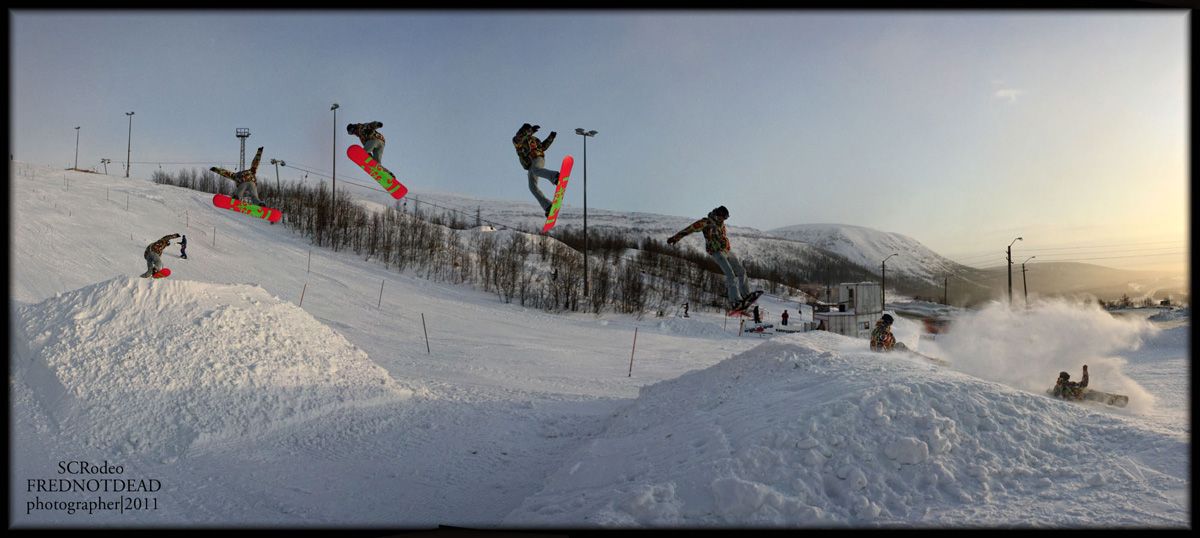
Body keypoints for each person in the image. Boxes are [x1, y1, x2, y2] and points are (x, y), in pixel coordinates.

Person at [666, 205, 753, 310]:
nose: (723, 220)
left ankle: (746, 295)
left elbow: (723, 237)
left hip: (726, 251)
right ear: (718, 214)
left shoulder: (721, 224)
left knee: (741, 271)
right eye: (723, 217)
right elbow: (690, 229)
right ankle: (735, 301)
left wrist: (727, 246)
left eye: (725, 218)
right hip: (716, 252)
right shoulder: (706, 222)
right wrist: (676, 238)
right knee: (730, 274)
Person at [512, 122, 560, 218]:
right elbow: (519, 139)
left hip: (538, 158)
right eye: (525, 131)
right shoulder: (517, 139)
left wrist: (550, 138)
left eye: (528, 131)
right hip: (530, 165)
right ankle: (548, 206)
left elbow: (542, 147)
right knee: (532, 187)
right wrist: (530, 131)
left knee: (536, 170)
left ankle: (555, 176)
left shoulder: (534, 139)